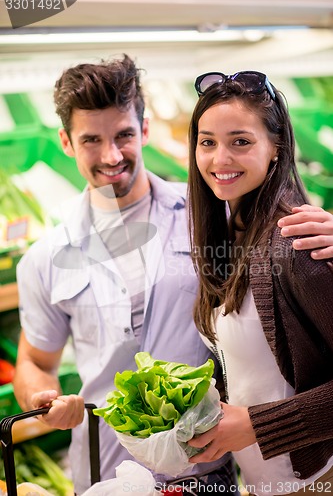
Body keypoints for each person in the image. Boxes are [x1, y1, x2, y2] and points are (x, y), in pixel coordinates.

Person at [13, 57, 333, 495]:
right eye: (91, 139)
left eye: (124, 135)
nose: (111, 155)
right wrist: (42, 399)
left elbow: (282, 223)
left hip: (210, 469)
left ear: (143, 132)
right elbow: (33, 361)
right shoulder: (45, 258)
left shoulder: (214, 213)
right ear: (66, 143)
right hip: (106, 466)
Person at [185, 70, 333, 495]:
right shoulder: (229, 233)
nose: (219, 159)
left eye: (241, 141)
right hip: (264, 481)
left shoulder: (296, 244)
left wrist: (255, 425)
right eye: (207, 141)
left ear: (275, 148)